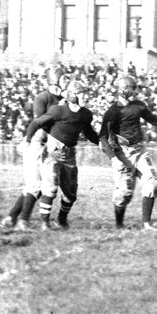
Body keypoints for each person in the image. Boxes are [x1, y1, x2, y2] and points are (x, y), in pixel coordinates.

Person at [28, 86, 98, 230]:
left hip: (69, 154)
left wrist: (103, 143)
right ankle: (44, 223)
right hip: (52, 152)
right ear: (73, 95)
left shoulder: (85, 115)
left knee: (71, 193)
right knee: (50, 188)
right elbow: (37, 122)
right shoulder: (58, 110)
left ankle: (61, 219)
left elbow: (89, 133)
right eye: (82, 94)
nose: (86, 97)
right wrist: (27, 140)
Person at [0, 70, 62, 231]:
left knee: (38, 186)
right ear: (55, 80)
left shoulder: (61, 99)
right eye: (64, 78)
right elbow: (40, 122)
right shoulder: (43, 98)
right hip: (37, 140)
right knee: (35, 185)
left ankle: (12, 217)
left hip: (50, 140)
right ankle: (23, 221)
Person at [101, 77, 157, 230]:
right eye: (132, 88)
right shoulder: (112, 112)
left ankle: (147, 224)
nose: (135, 91)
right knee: (124, 193)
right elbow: (103, 138)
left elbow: (153, 119)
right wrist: (113, 158)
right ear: (123, 89)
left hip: (139, 150)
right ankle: (119, 224)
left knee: (152, 181)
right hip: (123, 153)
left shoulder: (139, 105)